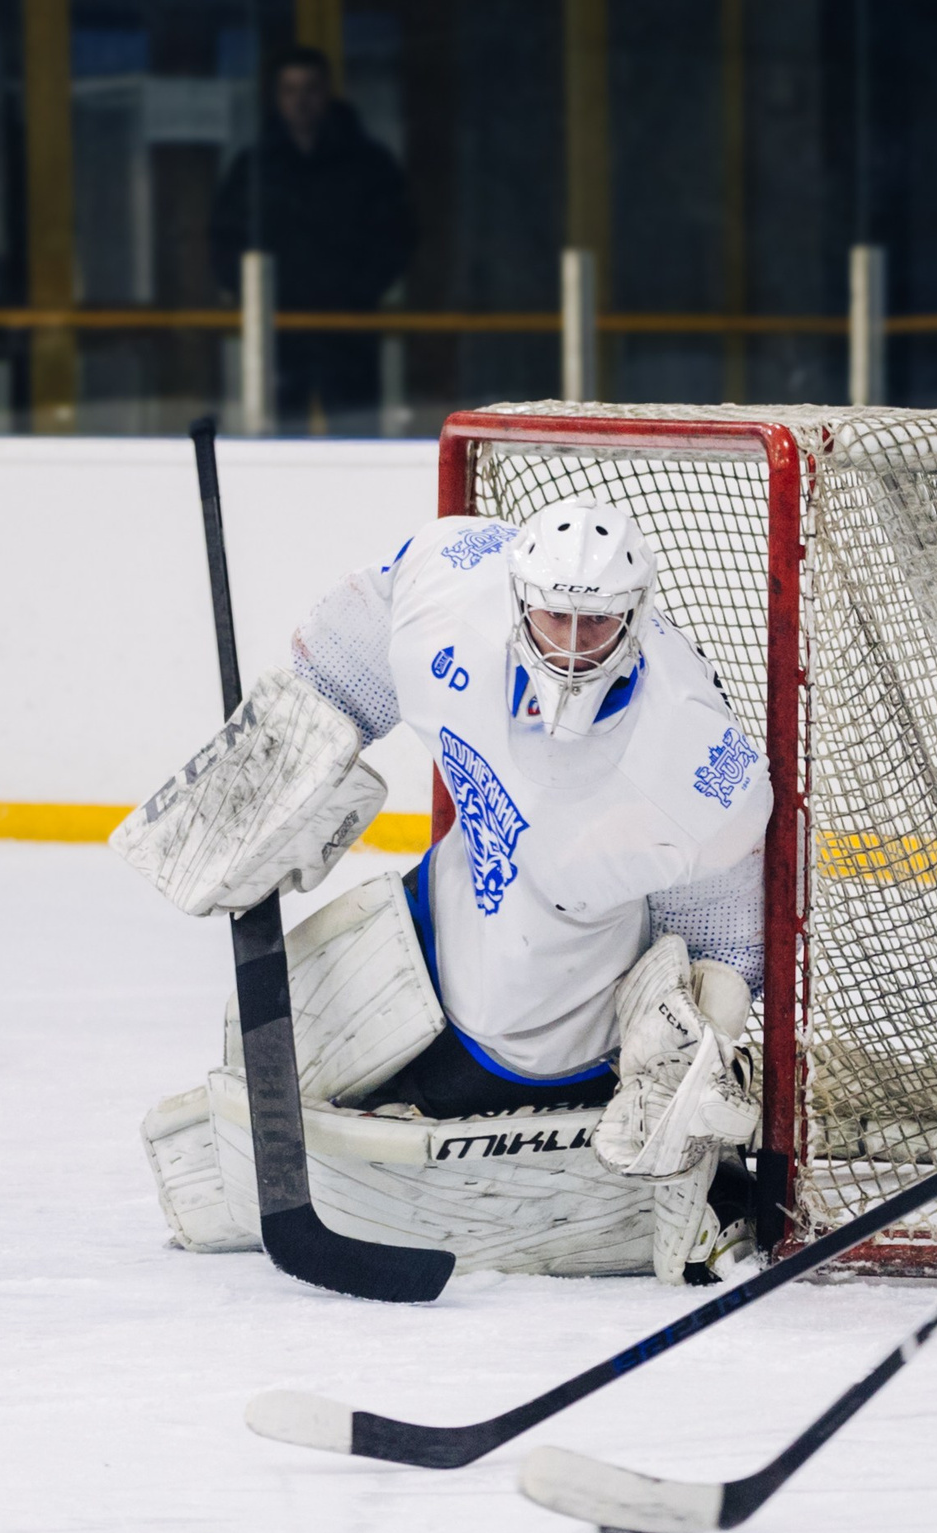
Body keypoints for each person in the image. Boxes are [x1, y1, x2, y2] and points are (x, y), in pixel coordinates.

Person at [118, 499, 770, 1280]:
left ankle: (719, 1188)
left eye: (594, 624)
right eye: (552, 616)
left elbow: (728, 935)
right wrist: (287, 754)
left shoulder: (690, 755)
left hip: (537, 1033)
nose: (568, 646)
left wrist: (694, 1047)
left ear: (636, 615)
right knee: (240, 1075)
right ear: (518, 594)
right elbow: (346, 653)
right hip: (419, 925)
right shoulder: (454, 586)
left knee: (353, 1148)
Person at [209, 45, 414, 435]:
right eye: (290, 90)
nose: (301, 101)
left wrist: (354, 292)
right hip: (277, 330)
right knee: (278, 441)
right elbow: (225, 240)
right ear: (276, 97)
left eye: (311, 89)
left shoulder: (368, 165)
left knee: (357, 439)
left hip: (349, 329)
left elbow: (397, 237)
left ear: (328, 94)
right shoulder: (254, 169)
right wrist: (257, 297)